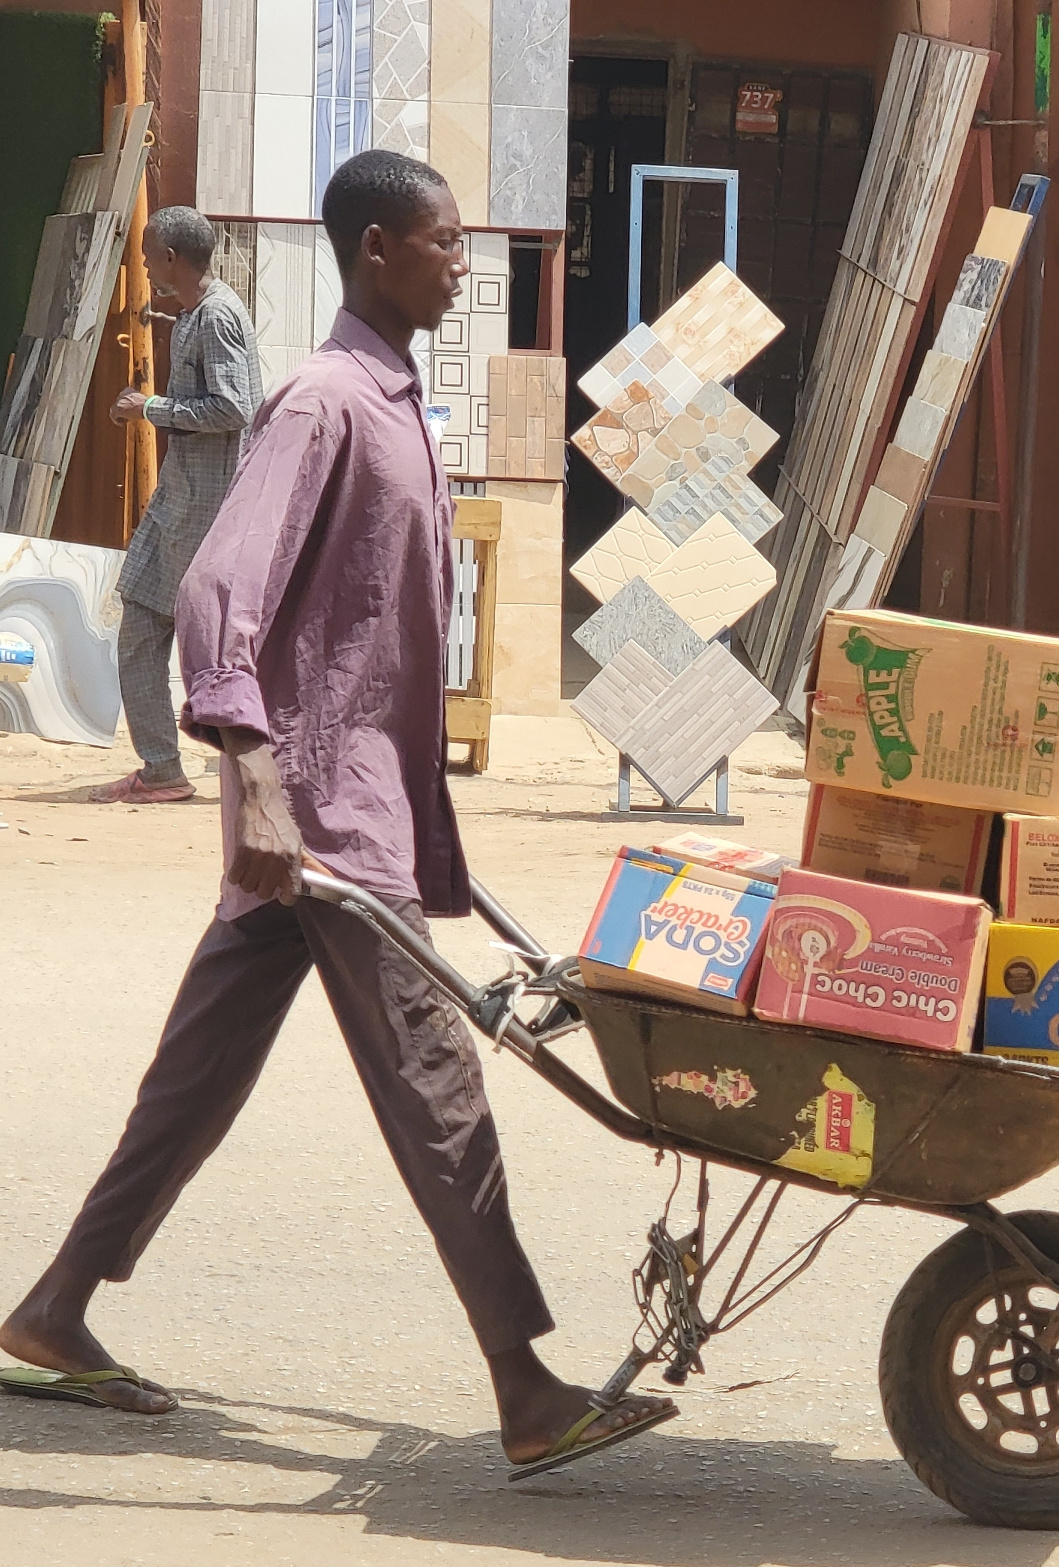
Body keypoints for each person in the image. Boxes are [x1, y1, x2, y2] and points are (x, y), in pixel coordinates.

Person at [1, 151, 675, 1474]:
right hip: (320, 823)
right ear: (377, 249)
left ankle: (54, 1311)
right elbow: (220, 592)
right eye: (444, 242)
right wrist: (254, 777)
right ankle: (527, 1388)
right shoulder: (322, 400)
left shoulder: (391, 398)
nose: (462, 263)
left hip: (337, 814)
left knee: (195, 1079)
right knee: (437, 1081)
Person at [93, 206, 263, 805]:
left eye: (148, 256)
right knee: (182, 629)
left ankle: (164, 768)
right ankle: (173, 764)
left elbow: (234, 408)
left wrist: (149, 408)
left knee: (145, 622)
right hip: (189, 498)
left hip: (200, 507)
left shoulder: (215, 316)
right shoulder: (199, 311)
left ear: (171, 258)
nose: (143, 265)